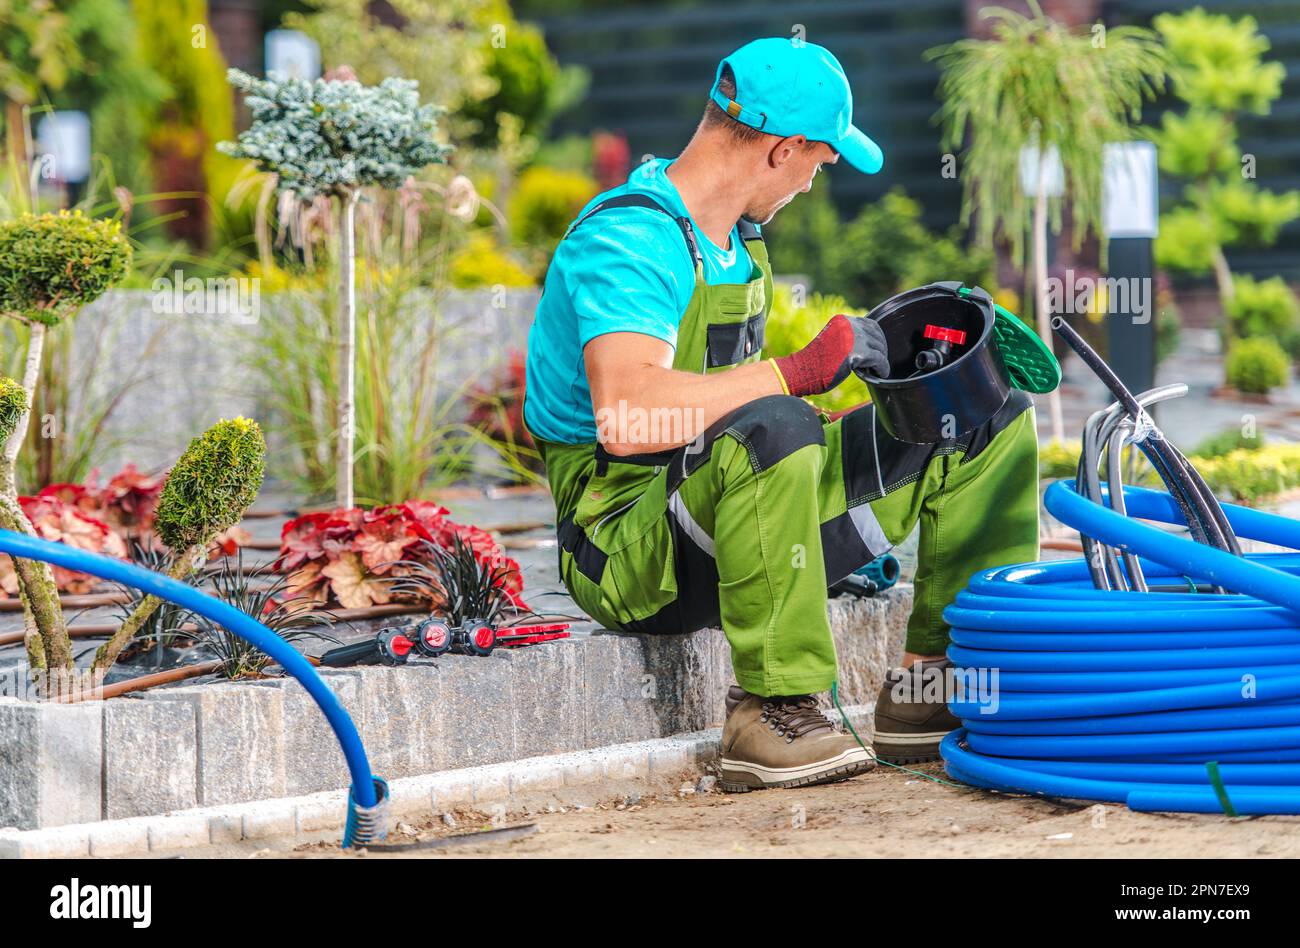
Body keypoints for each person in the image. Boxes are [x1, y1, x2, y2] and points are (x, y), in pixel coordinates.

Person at [524, 37, 1039, 791]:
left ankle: (935, 687)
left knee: (975, 417)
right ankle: (770, 711)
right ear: (783, 150)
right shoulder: (631, 239)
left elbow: (734, 420)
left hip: (719, 505)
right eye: (818, 163)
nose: (811, 183)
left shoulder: (739, 246)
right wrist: (796, 376)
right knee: (777, 425)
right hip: (628, 548)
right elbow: (629, 415)